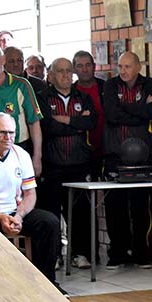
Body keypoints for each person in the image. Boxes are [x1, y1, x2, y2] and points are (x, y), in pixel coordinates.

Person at [102, 51, 152, 269]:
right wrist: (139, 110)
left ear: (138, 67)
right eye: (120, 66)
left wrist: (126, 107)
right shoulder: (110, 86)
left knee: (140, 206)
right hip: (114, 155)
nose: (123, 71)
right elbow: (112, 114)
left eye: (127, 66)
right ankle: (117, 252)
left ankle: (141, 252)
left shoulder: (149, 84)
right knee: (115, 207)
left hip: (141, 157)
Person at [37, 58, 96, 270]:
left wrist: (65, 120)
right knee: (51, 213)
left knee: (80, 212)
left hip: (78, 164)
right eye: (60, 71)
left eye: (69, 71)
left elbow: (90, 123)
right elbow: (47, 126)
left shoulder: (83, 97)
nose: (65, 75)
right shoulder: (42, 98)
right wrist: (76, 123)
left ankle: (79, 254)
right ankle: (54, 256)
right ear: (51, 75)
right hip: (52, 165)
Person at [0, 112, 62, 292]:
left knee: (50, 222)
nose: (8, 137)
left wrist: (19, 216)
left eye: (11, 133)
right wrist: (1, 217)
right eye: (2, 132)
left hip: (15, 211)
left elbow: (30, 194)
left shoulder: (20, 154)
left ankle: (45, 284)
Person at [0, 44, 43, 176]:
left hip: (18, 148)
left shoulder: (22, 85)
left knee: (21, 193)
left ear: (2, 60)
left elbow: (34, 122)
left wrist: (37, 157)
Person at [73, 50, 105, 180]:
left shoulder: (106, 88)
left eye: (88, 65)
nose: (84, 69)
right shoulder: (71, 92)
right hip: (80, 153)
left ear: (94, 66)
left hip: (106, 149)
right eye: (80, 66)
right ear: (74, 69)